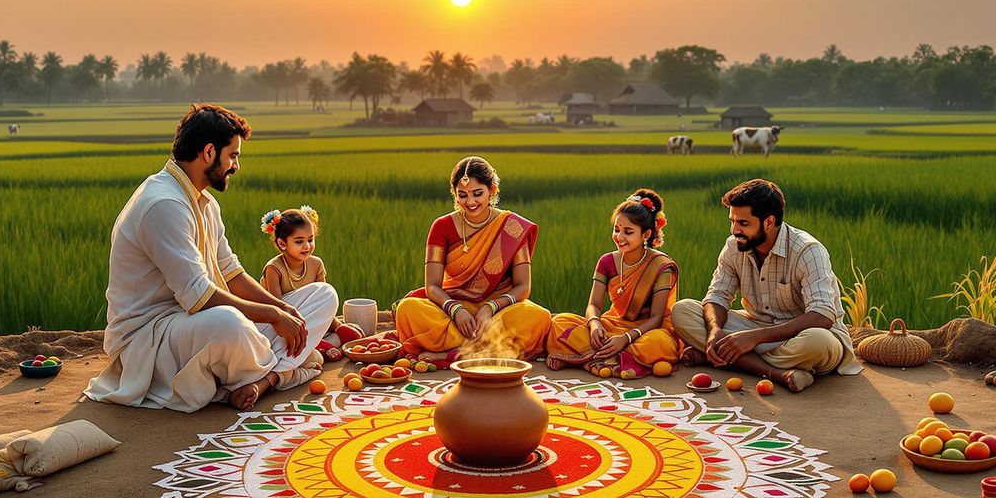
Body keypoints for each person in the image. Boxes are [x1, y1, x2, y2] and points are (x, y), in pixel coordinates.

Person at [84, 104, 337, 412]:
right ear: (208, 152)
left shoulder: (206, 204)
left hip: (191, 326)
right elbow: (199, 297)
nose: (236, 166)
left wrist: (283, 309)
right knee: (228, 323)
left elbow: (232, 274)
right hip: (152, 337)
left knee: (324, 294)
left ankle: (262, 376)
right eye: (233, 156)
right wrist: (272, 318)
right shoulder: (164, 204)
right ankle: (281, 370)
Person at [670, 178, 861, 392]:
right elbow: (717, 296)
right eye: (732, 221)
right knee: (682, 310)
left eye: (743, 223)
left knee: (819, 342)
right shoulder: (734, 247)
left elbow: (822, 315)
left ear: (769, 222)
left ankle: (717, 357)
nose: (734, 230)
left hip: (800, 335)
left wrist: (754, 338)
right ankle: (777, 373)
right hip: (755, 325)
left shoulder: (808, 250)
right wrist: (715, 330)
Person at [394, 156, 552, 364]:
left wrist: (490, 307)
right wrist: (456, 309)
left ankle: (452, 354)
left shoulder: (512, 227)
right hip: (453, 310)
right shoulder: (441, 227)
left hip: (499, 312)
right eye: (462, 195)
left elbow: (523, 288)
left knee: (538, 317)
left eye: (478, 194)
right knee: (408, 309)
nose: (470, 202)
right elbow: (432, 286)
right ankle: (484, 351)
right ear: (454, 194)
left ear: (492, 190)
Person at [547, 189, 682, 378]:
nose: (619, 237)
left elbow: (657, 318)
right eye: (616, 229)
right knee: (559, 323)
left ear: (646, 234)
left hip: (646, 331)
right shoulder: (606, 261)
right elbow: (594, 305)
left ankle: (594, 359)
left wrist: (626, 338)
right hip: (613, 325)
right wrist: (594, 324)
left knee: (659, 343)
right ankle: (613, 359)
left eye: (628, 232)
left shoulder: (661, 266)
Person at [259, 206, 364, 360]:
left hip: (308, 319)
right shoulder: (274, 269)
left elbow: (323, 303)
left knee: (349, 329)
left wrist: (339, 327)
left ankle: (318, 343)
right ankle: (314, 345)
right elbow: (278, 309)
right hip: (281, 323)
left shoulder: (316, 264)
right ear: (282, 243)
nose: (307, 246)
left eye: (310, 239)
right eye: (299, 241)